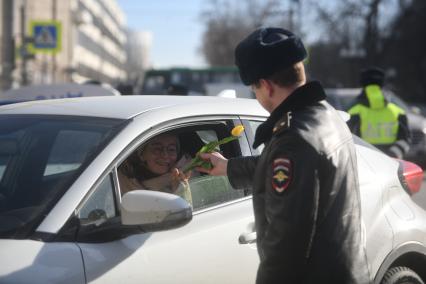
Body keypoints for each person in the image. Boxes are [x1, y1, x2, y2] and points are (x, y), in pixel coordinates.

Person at [197, 27, 371, 283]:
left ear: (266, 86)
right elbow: (295, 172)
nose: (256, 97)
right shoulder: (325, 114)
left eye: (254, 90)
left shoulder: (294, 140)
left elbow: (286, 250)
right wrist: (227, 167)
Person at [347, 67, 410, 159]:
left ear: (362, 84)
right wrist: (393, 155)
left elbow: (346, 141)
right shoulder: (398, 112)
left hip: (365, 164)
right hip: (392, 164)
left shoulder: (353, 112)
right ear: (383, 84)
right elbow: (405, 139)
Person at [118, 133, 192, 204]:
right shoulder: (120, 179)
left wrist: (180, 189)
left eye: (171, 149)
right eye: (157, 149)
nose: (165, 155)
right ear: (142, 155)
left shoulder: (187, 174)